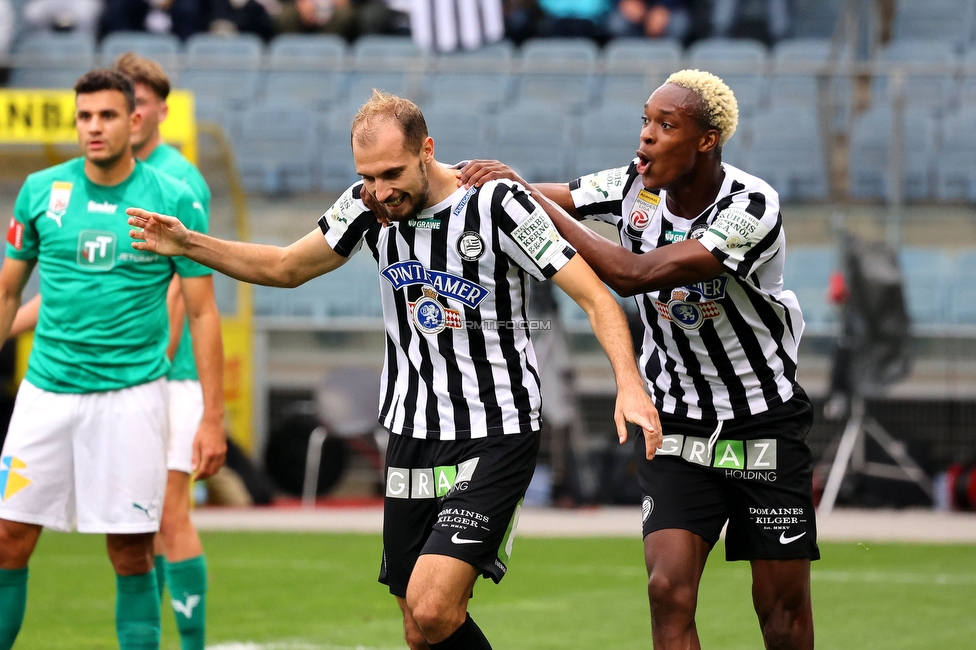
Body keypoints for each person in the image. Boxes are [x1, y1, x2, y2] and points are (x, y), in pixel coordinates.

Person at [127, 89, 661, 650]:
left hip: (495, 431)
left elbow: (596, 297)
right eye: (367, 176)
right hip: (409, 432)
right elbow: (285, 266)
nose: (380, 190)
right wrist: (188, 244)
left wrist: (629, 383)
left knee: (434, 608)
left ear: (427, 150)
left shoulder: (497, 204)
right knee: (417, 627)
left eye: (391, 173)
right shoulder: (364, 206)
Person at [458, 69, 818, 649]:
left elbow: (635, 275)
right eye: (645, 121)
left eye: (666, 125)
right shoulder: (636, 185)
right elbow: (556, 196)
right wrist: (474, 182)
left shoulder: (751, 205)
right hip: (673, 420)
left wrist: (525, 199)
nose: (646, 137)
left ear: (707, 140)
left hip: (763, 421)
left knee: (781, 612)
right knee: (667, 589)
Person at [0, 69, 224, 650]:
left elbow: (201, 311)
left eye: (106, 116)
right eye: (84, 116)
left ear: (135, 120)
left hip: (132, 400)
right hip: (44, 394)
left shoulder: (172, 198)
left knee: (129, 551)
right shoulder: (42, 191)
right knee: (7, 539)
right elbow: (8, 294)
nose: (93, 127)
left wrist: (212, 417)